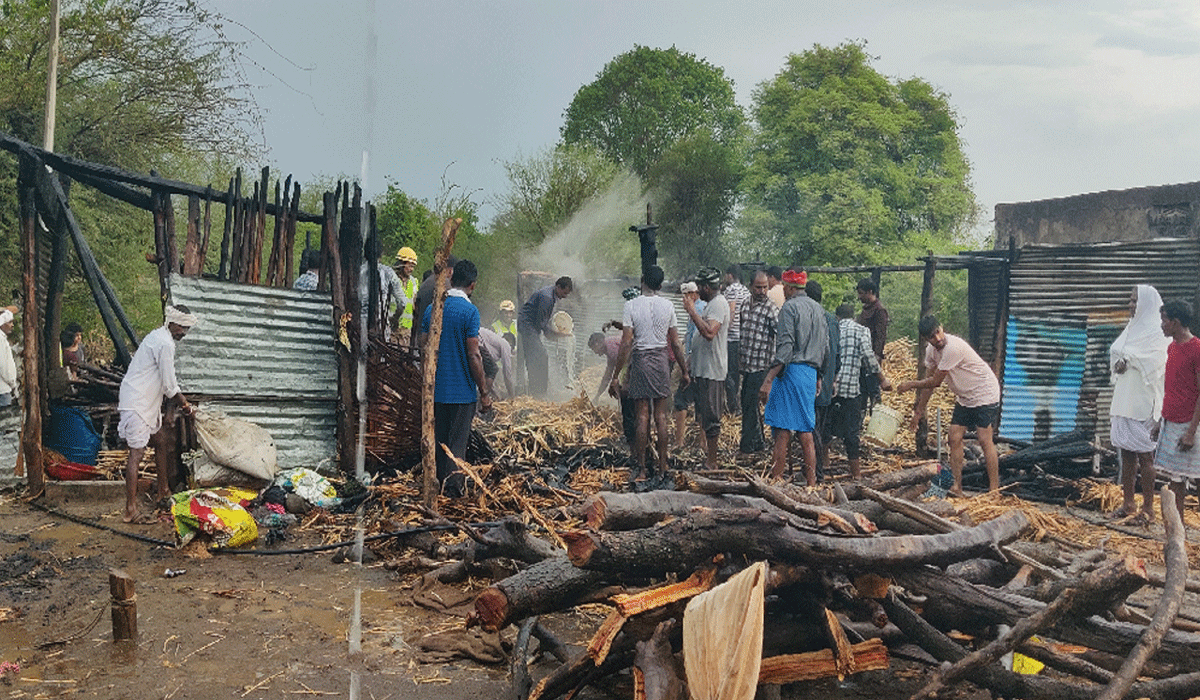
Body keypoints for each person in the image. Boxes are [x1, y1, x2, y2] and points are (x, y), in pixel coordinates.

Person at [896, 316, 1001, 496]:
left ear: (942, 328)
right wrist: (919, 411)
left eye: (938, 332)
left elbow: (935, 382)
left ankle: (994, 490)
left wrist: (910, 384)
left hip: (984, 393)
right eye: (931, 336)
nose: (937, 338)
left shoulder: (953, 347)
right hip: (965, 397)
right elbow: (929, 384)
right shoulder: (931, 352)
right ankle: (957, 487)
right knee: (953, 438)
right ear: (925, 339)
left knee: (984, 439)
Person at [608, 265, 689, 481]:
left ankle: (642, 468)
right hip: (661, 361)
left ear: (642, 280)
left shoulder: (631, 305)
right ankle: (663, 466)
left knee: (642, 416)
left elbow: (626, 343)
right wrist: (685, 370)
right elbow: (676, 343)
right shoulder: (668, 305)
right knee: (661, 416)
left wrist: (616, 374)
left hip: (642, 361)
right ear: (661, 285)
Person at [118, 305, 198, 523]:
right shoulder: (164, 344)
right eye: (182, 327)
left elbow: (164, 385)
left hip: (144, 403)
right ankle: (130, 510)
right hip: (137, 403)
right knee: (136, 454)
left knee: (161, 440)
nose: (184, 332)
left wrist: (171, 409)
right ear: (172, 323)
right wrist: (186, 407)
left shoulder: (159, 337)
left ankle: (164, 491)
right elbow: (170, 387)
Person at [421, 260, 491, 498]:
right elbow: (474, 354)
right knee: (457, 444)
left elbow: (423, 347)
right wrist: (484, 392)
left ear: (451, 279)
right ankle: (452, 491)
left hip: (435, 391)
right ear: (472, 285)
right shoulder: (470, 312)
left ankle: (437, 485)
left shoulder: (432, 310)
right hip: (462, 393)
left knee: (439, 440)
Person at [760, 270, 828, 484]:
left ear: (789, 288)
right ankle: (811, 484)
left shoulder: (789, 307)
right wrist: (819, 375)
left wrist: (769, 378)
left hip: (791, 371)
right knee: (806, 429)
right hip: (810, 374)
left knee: (782, 430)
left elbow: (786, 347)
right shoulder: (819, 309)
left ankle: (777, 480)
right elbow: (825, 347)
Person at [1109, 285, 1168, 523]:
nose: (1131, 305)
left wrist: (1129, 360)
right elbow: (1117, 355)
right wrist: (1120, 363)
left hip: (1143, 401)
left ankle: (1148, 509)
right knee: (1127, 454)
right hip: (1124, 398)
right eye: (1130, 301)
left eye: (1135, 301)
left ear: (1147, 304)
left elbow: (1156, 361)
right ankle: (1128, 503)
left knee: (1146, 457)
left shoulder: (1158, 332)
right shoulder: (1130, 329)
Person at [828, 303, 891, 478]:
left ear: (837, 317)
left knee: (825, 428)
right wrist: (882, 380)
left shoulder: (830, 327)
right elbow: (868, 357)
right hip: (850, 389)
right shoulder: (861, 330)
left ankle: (824, 467)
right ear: (853, 317)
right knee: (852, 434)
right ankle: (856, 475)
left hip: (828, 388)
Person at [1153, 299, 1200, 525]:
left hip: (1189, 424)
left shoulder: (1197, 349)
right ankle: (1176, 529)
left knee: (1193, 478)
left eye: (1164, 320)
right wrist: (1160, 421)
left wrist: (1191, 432)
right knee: (1175, 480)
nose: (1161, 325)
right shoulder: (1171, 348)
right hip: (1171, 422)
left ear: (1176, 322)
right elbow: (1172, 388)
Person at [684, 267, 729, 469]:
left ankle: (713, 462)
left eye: (699, 287)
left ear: (705, 287)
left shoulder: (719, 304)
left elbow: (710, 333)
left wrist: (692, 311)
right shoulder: (712, 304)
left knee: (711, 416)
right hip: (703, 369)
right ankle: (708, 458)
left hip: (712, 370)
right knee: (704, 414)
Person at [737, 271, 777, 454]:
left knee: (750, 403)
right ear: (751, 286)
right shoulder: (745, 304)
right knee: (748, 404)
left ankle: (747, 446)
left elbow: (781, 335)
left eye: (765, 287)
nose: (762, 291)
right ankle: (758, 443)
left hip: (762, 365)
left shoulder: (771, 308)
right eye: (758, 287)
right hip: (747, 364)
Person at [806, 280, 840, 479]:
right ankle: (816, 471)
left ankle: (815, 474)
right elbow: (837, 355)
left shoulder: (812, 317)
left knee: (811, 428)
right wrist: (832, 379)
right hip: (826, 383)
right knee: (819, 426)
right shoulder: (832, 319)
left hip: (813, 380)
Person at [518, 276, 573, 398]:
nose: (565, 296)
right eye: (564, 293)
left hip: (531, 326)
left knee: (536, 356)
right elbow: (541, 324)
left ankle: (535, 389)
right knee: (540, 356)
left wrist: (552, 334)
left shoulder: (551, 295)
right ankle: (539, 392)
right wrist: (557, 334)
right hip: (527, 325)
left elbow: (543, 322)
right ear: (558, 287)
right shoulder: (547, 297)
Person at [674, 281, 705, 449]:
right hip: (701, 365)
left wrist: (686, 365)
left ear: (694, 294)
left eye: (686, 295)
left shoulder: (697, 310)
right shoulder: (698, 309)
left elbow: (696, 341)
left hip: (695, 365)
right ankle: (702, 443)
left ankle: (679, 443)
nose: (683, 300)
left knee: (681, 399)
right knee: (701, 401)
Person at [359, 240, 407, 341]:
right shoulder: (389, 273)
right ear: (381, 254)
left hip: (360, 325)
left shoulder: (358, 273)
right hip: (381, 324)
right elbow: (402, 302)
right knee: (380, 354)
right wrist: (394, 318)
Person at [410, 255, 458, 348]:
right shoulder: (444, 285)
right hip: (432, 338)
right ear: (450, 270)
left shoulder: (426, 282)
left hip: (420, 336)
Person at [722, 265, 750, 415]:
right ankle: (738, 403)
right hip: (743, 336)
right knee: (738, 372)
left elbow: (731, 310)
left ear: (730, 275)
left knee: (729, 372)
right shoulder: (746, 291)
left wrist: (725, 331)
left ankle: (733, 406)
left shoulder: (731, 290)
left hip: (731, 337)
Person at [856, 278, 888, 407]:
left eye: (861, 293)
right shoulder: (865, 310)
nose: (859, 297)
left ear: (870, 292)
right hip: (862, 359)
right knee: (862, 392)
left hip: (871, 358)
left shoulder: (879, 310)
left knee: (874, 392)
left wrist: (876, 356)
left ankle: (877, 419)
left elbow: (881, 335)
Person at [392, 247, 420, 347]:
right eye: (409, 265)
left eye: (413, 266)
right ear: (402, 263)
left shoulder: (414, 282)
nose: (411, 269)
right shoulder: (392, 279)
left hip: (406, 331)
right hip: (392, 328)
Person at [478, 326, 515, 400]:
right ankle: (483, 399)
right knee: (493, 369)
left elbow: (487, 374)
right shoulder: (506, 344)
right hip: (477, 340)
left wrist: (495, 393)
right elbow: (507, 373)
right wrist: (512, 396)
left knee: (490, 370)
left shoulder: (493, 345)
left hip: (474, 338)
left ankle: (481, 398)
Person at [0, 307, 19, 407]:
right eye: (9, 322)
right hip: (3, 390)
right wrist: (13, 383)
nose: (12, 325)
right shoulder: (1, 340)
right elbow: (3, 366)